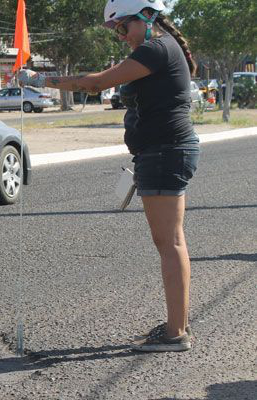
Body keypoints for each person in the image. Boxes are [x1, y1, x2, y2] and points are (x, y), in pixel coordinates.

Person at [18, 0, 199, 352]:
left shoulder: (157, 48)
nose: (120, 35)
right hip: (162, 151)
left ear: (147, 16)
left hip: (165, 152)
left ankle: (176, 334)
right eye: (116, 29)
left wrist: (41, 78)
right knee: (171, 242)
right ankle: (178, 325)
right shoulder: (156, 47)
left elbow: (95, 83)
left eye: (122, 27)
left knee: (170, 243)